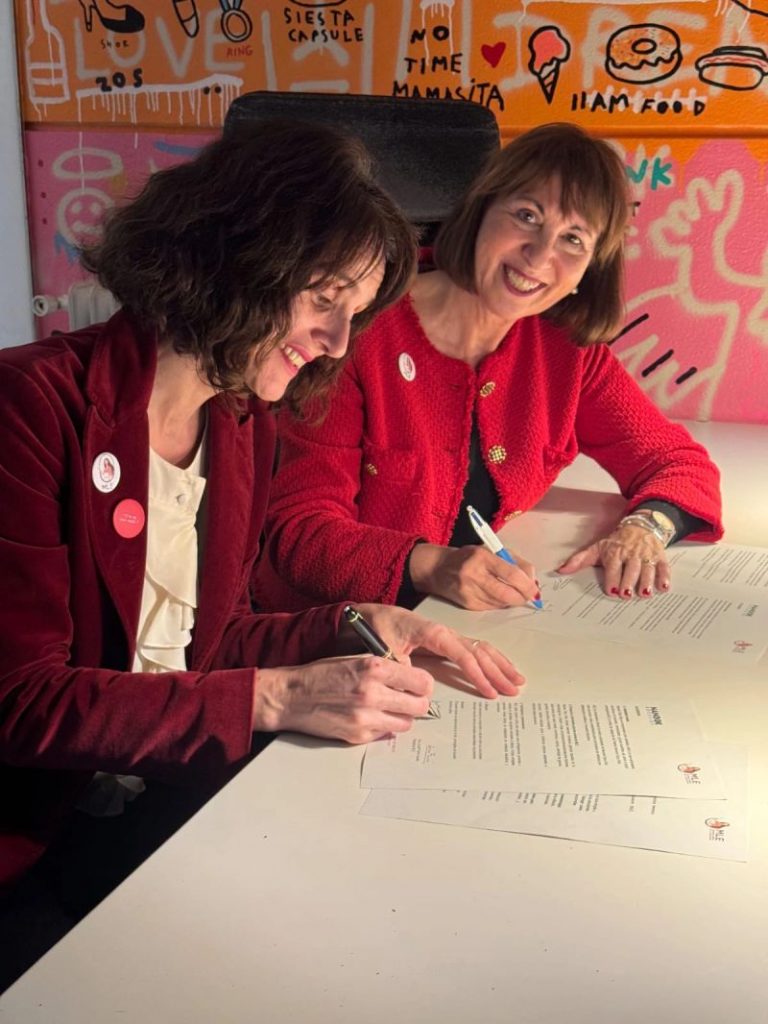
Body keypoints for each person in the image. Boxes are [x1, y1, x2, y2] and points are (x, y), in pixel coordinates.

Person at [0, 120, 525, 919]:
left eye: (354, 313)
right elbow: (21, 702)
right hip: (30, 845)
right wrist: (269, 699)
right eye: (323, 299)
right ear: (232, 256)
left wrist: (354, 624)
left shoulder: (239, 422)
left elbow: (205, 643)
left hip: (147, 800)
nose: (337, 342)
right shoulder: (28, 407)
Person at [253, 122, 723, 614]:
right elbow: (301, 530)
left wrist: (644, 529)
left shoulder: (566, 350)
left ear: (589, 270)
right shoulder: (357, 329)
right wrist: (432, 565)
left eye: (573, 239)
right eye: (527, 216)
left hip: (459, 624)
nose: (540, 255)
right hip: (324, 629)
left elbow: (677, 462)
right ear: (481, 210)